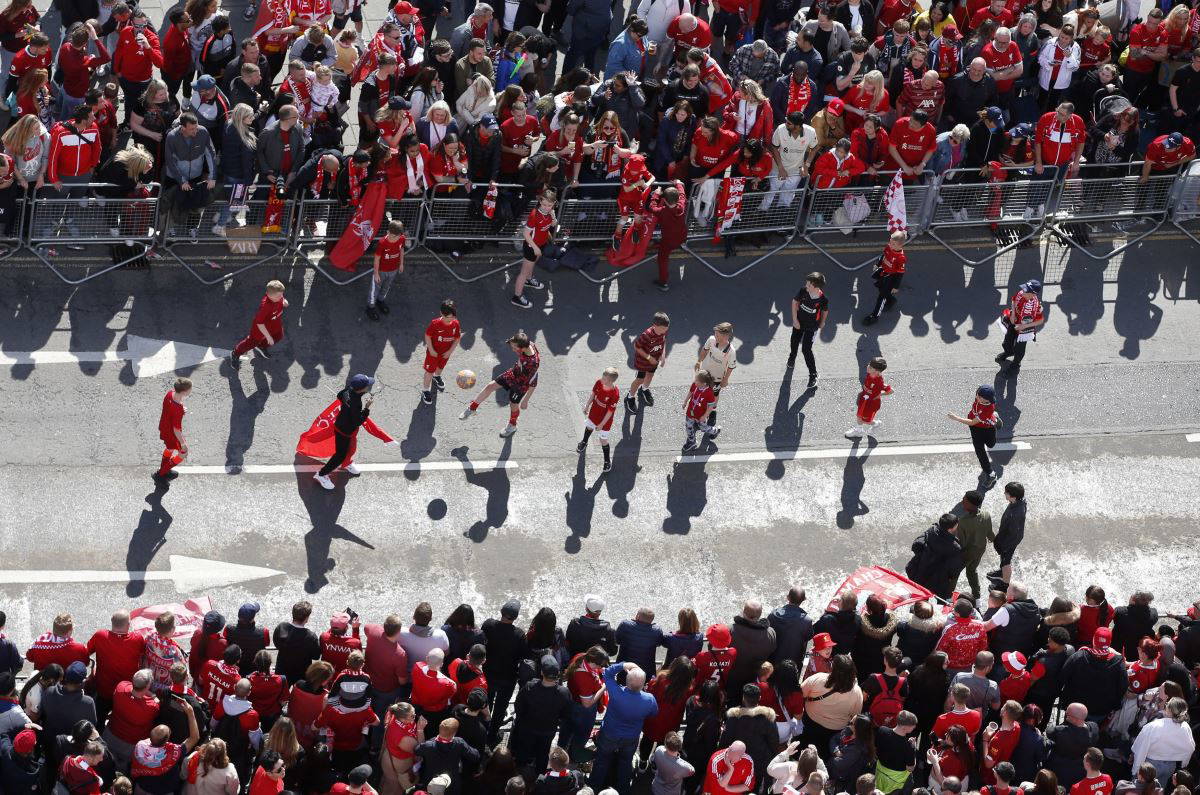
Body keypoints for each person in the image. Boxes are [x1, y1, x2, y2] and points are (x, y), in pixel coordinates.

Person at [313, 374, 393, 490]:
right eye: (367, 386)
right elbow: (357, 422)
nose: (369, 387)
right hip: (344, 432)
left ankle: (347, 463)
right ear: (361, 389)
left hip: (342, 425)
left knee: (350, 448)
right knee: (340, 456)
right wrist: (366, 408)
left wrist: (348, 405)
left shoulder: (349, 390)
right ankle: (321, 475)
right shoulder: (356, 403)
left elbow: (339, 395)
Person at [589, 662, 658, 794]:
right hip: (631, 737)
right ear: (643, 685)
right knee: (625, 763)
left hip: (609, 734)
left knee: (602, 760)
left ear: (626, 681)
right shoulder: (649, 699)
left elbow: (607, 673)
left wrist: (623, 665)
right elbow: (653, 713)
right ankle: (623, 790)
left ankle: (594, 787)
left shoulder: (616, 692)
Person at [460, 331, 541, 436]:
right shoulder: (528, 343)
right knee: (490, 386)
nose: (513, 349)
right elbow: (516, 341)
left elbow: (533, 381)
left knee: (513, 404)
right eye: (512, 346)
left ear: (523, 348)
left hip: (521, 384)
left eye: (515, 347)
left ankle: (512, 425)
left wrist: (526, 400)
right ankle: (472, 408)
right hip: (514, 373)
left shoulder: (532, 363)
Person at [511, 655, 572, 773]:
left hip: (528, 728)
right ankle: (540, 775)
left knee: (523, 751)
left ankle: (520, 771)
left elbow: (518, 707)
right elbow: (566, 714)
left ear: (542, 673)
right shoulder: (564, 693)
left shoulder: (529, 687)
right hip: (548, 730)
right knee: (543, 753)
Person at [948, 385, 1001, 487]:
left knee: (991, 445)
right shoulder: (979, 397)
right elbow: (973, 424)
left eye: (980, 397)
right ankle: (990, 474)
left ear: (987, 400)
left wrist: (956, 418)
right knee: (980, 451)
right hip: (975, 429)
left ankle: (994, 418)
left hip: (986, 427)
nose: (977, 397)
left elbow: (972, 422)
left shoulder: (989, 408)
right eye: (977, 394)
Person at [230, 281, 287, 365]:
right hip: (260, 328)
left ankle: (261, 346)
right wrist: (268, 336)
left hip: (274, 323)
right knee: (251, 342)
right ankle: (235, 353)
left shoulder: (277, 297)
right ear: (268, 295)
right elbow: (259, 323)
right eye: (279, 296)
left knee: (278, 336)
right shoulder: (266, 306)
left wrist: (284, 301)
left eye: (282, 295)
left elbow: (282, 298)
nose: (281, 297)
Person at [787, 272, 828, 388]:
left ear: (816, 287)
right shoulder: (803, 291)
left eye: (809, 284)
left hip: (812, 327)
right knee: (794, 341)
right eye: (806, 283)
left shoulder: (823, 299)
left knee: (806, 349)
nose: (806, 286)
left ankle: (813, 374)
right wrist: (795, 320)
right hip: (799, 322)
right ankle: (792, 357)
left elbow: (825, 311)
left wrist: (822, 322)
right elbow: (794, 302)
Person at [576, 367, 620, 473]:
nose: (601, 379)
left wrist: (601, 424)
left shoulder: (615, 393)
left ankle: (607, 461)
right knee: (589, 427)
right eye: (602, 377)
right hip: (594, 413)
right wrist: (587, 405)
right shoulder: (599, 383)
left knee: (603, 440)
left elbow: (610, 411)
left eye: (604, 378)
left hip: (605, 420)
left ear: (610, 381)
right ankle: (584, 442)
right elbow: (593, 394)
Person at [996, 280, 1044, 371]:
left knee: (1019, 349)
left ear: (1033, 294)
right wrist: (1013, 314)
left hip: (1024, 330)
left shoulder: (1036, 306)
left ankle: (1016, 364)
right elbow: (1013, 300)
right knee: (1007, 342)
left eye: (1026, 290)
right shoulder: (1021, 293)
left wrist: (1023, 326)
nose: (1023, 291)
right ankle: (1008, 352)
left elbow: (1040, 321)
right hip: (1014, 322)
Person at [421, 300, 462, 405]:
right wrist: (431, 350)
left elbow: (457, 338)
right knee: (429, 371)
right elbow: (427, 336)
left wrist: (450, 351)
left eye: (453, 317)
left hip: (445, 353)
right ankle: (425, 390)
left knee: (440, 367)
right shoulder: (435, 324)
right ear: (441, 314)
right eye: (448, 317)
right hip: (433, 354)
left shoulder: (455, 324)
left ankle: (437, 377)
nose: (451, 319)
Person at [862, 230, 907, 326]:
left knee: (881, 297)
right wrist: (878, 264)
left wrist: (896, 287)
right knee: (880, 288)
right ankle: (891, 300)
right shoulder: (889, 247)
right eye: (890, 242)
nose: (890, 245)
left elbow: (900, 273)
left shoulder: (901, 258)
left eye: (893, 244)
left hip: (890, 278)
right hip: (883, 272)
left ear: (900, 245)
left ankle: (874, 316)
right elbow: (883, 256)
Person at [366, 219, 406, 321]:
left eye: (396, 236)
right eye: (391, 236)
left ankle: (380, 300)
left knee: (386, 287)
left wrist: (401, 263)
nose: (393, 239)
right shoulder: (382, 242)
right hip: (381, 271)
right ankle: (370, 307)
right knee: (375, 289)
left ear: (400, 235)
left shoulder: (402, 239)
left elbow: (401, 249)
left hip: (393, 270)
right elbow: (377, 258)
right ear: (388, 232)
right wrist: (376, 273)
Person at [845, 356, 893, 440]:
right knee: (859, 415)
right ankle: (859, 431)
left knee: (866, 420)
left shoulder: (879, 382)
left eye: (870, 367)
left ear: (877, 371)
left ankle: (876, 424)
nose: (867, 367)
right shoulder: (870, 374)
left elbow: (891, 390)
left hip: (871, 404)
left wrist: (880, 394)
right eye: (869, 365)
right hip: (864, 399)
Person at [154, 377, 191, 484]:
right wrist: (183, 443)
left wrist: (181, 409)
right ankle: (161, 473)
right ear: (184, 392)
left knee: (169, 448)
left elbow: (169, 409)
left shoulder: (170, 393)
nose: (191, 390)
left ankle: (164, 470)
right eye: (190, 389)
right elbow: (176, 429)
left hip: (164, 428)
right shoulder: (177, 409)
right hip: (172, 433)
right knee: (183, 453)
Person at [682, 370, 720, 452]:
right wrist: (685, 401)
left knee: (703, 428)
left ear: (704, 383)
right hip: (690, 412)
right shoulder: (695, 385)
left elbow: (711, 406)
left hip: (700, 415)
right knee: (688, 426)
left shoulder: (709, 393)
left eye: (697, 380)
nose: (694, 381)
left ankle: (715, 431)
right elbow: (690, 392)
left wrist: (705, 416)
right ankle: (692, 442)